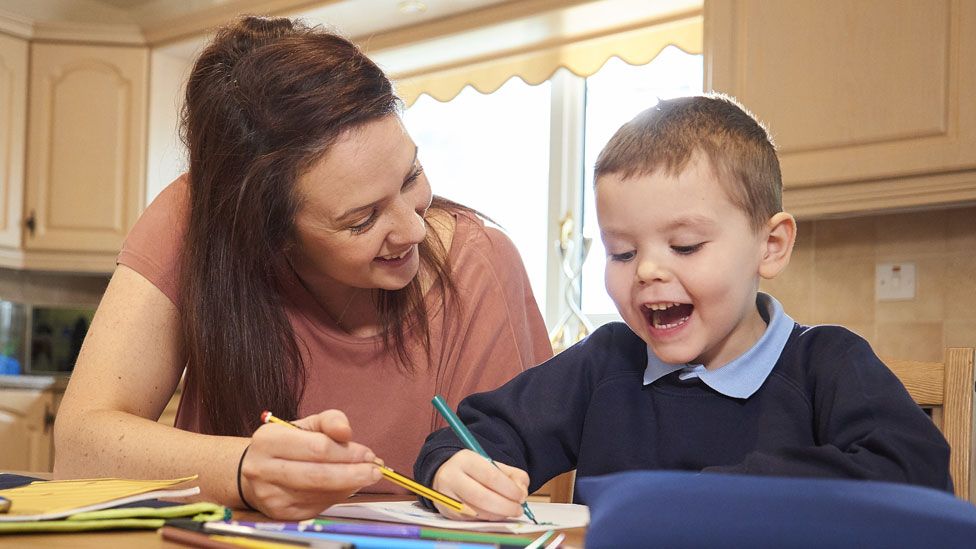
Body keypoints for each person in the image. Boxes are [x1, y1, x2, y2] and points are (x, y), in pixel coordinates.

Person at [53, 16, 551, 520]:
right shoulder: (196, 217)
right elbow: (78, 446)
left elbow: (536, 494)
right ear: (269, 237)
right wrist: (243, 469)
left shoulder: (480, 261)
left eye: (410, 177)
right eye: (362, 220)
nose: (414, 231)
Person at [414, 94, 951, 521]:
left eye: (686, 246)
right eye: (622, 252)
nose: (646, 270)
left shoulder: (827, 362)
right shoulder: (606, 363)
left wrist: (703, 497)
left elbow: (914, 472)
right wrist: (454, 469)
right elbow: (472, 434)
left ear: (771, 246)